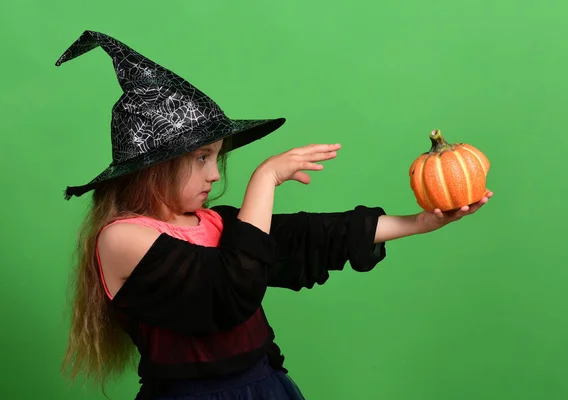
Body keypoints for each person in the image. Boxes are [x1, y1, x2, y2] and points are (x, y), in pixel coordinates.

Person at [56, 31, 493, 400]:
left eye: (217, 158)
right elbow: (231, 289)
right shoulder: (122, 238)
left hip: (265, 386)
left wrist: (422, 223)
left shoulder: (216, 224)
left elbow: (312, 235)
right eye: (202, 157)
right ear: (157, 166)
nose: (214, 174)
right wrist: (265, 178)